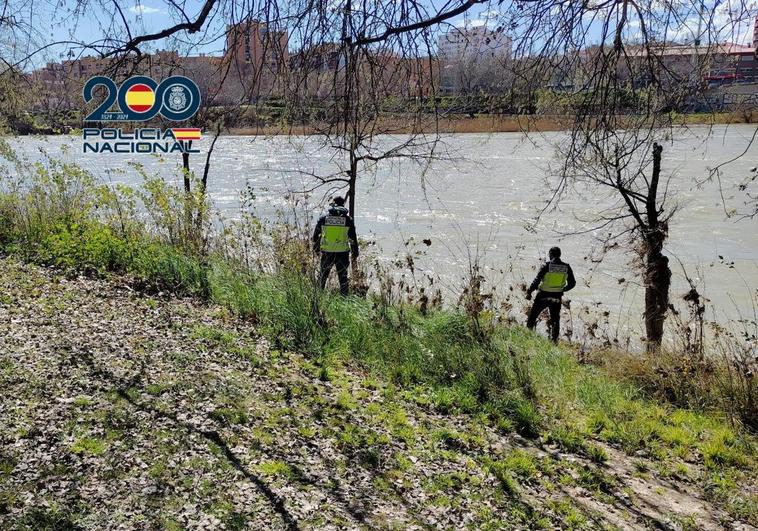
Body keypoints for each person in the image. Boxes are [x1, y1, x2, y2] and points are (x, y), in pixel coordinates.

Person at [526, 247, 576, 343]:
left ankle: (528, 335)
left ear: (550, 254)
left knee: (533, 316)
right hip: (557, 296)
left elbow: (537, 280)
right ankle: (554, 341)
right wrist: (563, 289)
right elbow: (572, 283)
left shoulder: (546, 265)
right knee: (555, 319)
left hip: (543, 295)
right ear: (560, 255)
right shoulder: (566, 267)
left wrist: (530, 291)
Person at [312, 196, 359, 295]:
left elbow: (315, 236)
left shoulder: (324, 219)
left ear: (333, 204)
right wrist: (355, 252)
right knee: (343, 278)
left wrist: (316, 249)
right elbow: (353, 238)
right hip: (342, 253)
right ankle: (344, 299)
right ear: (343, 204)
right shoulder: (347, 220)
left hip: (327, 251)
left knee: (322, 277)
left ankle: (318, 297)